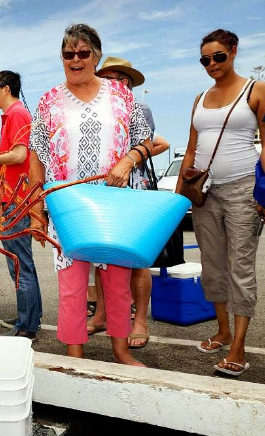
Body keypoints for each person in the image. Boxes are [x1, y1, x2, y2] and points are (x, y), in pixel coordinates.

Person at [28, 23, 153, 366]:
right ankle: (74, 354)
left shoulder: (121, 95)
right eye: (68, 54)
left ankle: (121, 351)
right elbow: (37, 155)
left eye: (83, 53)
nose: (76, 59)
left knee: (117, 283)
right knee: (72, 284)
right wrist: (36, 206)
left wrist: (128, 161)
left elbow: (146, 139)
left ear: (96, 57)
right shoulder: (49, 100)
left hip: (113, 202)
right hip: (66, 203)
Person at [176, 29, 265, 376]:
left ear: (233, 52)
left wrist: (264, 191)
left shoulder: (255, 90)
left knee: (239, 268)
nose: (211, 64)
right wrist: (180, 193)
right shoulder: (199, 98)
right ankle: (224, 330)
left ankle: (239, 346)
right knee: (212, 265)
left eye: (218, 57)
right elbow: (192, 146)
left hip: (243, 189)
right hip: (204, 193)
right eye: (205, 60)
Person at [90, 56, 171, 349]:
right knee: (101, 257)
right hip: (103, 191)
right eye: (107, 79)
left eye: (117, 79)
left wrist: (129, 163)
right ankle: (100, 314)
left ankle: (140, 321)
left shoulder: (139, 108)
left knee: (137, 260)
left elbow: (151, 142)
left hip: (133, 191)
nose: (112, 84)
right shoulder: (97, 110)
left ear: (128, 82)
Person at [0, 70, 43, 341]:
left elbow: (20, 154)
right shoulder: (12, 115)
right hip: (13, 198)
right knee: (20, 263)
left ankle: (27, 326)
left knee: (20, 264)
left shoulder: (18, 114)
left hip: (17, 199)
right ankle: (30, 316)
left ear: (6, 88)